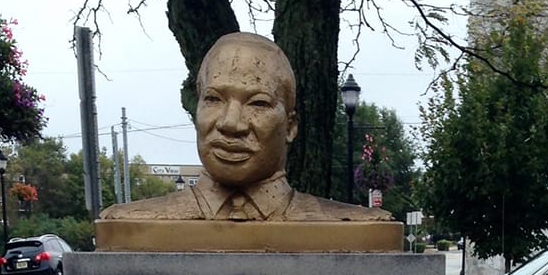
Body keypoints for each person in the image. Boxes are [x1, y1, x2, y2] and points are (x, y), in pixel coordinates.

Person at [99, 32, 369, 224]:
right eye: (214, 99)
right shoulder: (132, 222)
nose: (230, 123)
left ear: (290, 126)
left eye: (258, 103)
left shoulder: (352, 226)